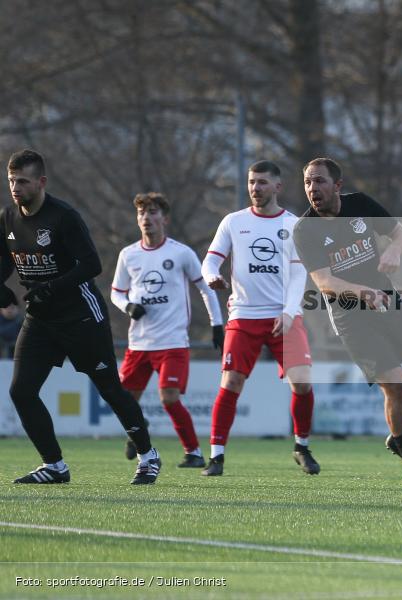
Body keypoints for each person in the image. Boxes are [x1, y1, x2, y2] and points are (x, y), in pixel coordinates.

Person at [1, 149, 160, 484]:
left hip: (80, 316)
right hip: (41, 319)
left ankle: (148, 456)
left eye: (23, 181)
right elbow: (4, 264)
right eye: (11, 180)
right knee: (21, 391)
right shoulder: (8, 218)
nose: (16, 187)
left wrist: (53, 286)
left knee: (110, 389)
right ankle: (55, 466)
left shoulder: (63, 217)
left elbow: (92, 265)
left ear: (41, 182)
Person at [295, 157, 402, 486]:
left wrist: (395, 250)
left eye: (319, 181)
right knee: (395, 385)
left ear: (337, 185)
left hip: (388, 302)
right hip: (351, 317)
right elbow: (324, 283)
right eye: (307, 182)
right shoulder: (305, 229)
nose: (312, 189)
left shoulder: (360, 204)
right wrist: (363, 292)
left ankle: (401, 436)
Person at [200, 160, 318, 476]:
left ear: (277, 187)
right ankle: (216, 457)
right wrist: (212, 276)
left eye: (263, 182)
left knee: (303, 383)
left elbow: (298, 274)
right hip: (245, 315)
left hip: (285, 316)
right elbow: (210, 262)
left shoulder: (294, 225)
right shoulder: (233, 222)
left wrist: (290, 312)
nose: (256, 188)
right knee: (232, 382)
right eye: (252, 182)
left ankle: (301, 447)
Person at [111, 192, 224, 468]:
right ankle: (139, 433)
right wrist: (127, 307)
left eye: (152, 212)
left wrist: (217, 324)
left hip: (172, 342)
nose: (146, 218)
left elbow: (205, 289)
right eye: (141, 213)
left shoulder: (181, 252)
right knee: (125, 402)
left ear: (165, 218)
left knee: (169, 398)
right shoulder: (128, 255)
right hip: (138, 343)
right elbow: (116, 293)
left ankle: (194, 453)